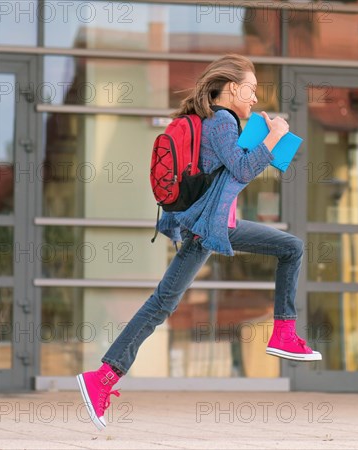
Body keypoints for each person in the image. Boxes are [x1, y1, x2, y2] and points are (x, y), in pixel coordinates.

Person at [76, 54, 321, 430]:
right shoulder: (221, 120)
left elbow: (233, 167)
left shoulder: (219, 122)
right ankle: (102, 377)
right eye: (252, 91)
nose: (255, 99)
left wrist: (267, 144)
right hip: (208, 225)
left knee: (290, 247)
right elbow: (241, 169)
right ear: (232, 88)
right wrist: (272, 138)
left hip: (219, 223)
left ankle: (284, 332)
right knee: (163, 303)